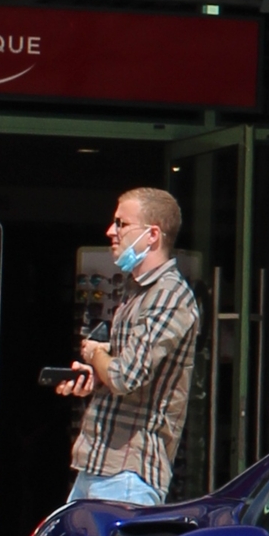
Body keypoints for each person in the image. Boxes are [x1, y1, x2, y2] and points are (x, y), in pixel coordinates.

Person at [57, 187, 200, 506]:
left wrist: (95, 354)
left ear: (152, 235)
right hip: (98, 467)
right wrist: (93, 378)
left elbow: (125, 376)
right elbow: (128, 375)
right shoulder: (138, 293)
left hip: (128, 475)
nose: (111, 231)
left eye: (121, 224)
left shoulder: (169, 296)